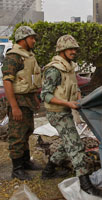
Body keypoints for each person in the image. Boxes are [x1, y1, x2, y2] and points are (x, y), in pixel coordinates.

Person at [40, 35, 102, 197]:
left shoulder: (69, 66)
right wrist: (68, 104)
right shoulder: (54, 69)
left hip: (66, 111)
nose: (74, 52)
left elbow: (74, 87)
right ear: (62, 50)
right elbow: (45, 95)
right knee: (76, 147)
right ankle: (85, 184)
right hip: (57, 113)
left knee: (68, 143)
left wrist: (79, 100)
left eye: (75, 49)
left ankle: (48, 170)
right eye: (70, 49)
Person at [2, 26, 42, 180]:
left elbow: (31, 80)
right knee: (17, 135)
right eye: (31, 38)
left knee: (27, 131)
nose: (34, 41)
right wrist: (14, 107)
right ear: (22, 39)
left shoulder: (28, 56)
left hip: (28, 101)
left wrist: (36, 99)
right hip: (18, 102)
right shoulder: (14, 57)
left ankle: (25, 162)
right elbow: (7, 83)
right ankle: (17, 169)